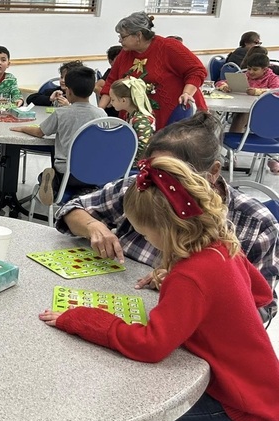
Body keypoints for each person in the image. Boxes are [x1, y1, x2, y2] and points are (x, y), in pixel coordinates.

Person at [40, 155, 279, 421]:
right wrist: (199, 299)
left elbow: (150, 346)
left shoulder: (190, 275)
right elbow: (261, 293)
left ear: (166, 230)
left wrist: (85, 319)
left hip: (237, 406)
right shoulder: (221, 245)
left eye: (146, 235)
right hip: (262, 387)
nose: (147, 241)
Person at [53, 111, 279, 324]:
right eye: (154, 170)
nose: (159, 186)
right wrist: (93, 226)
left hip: (185, 330)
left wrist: (187, 285)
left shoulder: (255, 223)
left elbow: (261, 309)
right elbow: (70, 209)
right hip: (119, 298)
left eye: (173, 177)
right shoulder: (142, 187)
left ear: (213, 172)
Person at [11, 66, 107, 206]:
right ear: (92, 91)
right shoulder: (101, 114)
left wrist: (22, 128)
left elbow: (40, 132)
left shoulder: (62, 113)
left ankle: (52, 183)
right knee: (86, 180)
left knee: (45, 175)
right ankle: (84, 192)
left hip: (68, 173)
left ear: (68, 91)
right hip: (95, 171)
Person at [98, 11, 207, 130]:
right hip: (137, 120)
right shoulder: (125, 54)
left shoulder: (168, 47)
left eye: (122, 36)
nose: (119, 40)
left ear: (138, 35)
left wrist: (187, 93)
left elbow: (196, 70)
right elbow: (111, 81)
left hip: (173, 118)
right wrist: (100, 112)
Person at [216, 53, 279, 149]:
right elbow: (220, 82)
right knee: (240, 115)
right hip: (245, 109)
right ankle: (234, 146)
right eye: (249, 68)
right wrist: (224, 86)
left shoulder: (273, 78)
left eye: (255, 69)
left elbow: (277, 91)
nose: (250, 72)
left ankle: (235, 146)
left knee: (242, 115)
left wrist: (258, 91)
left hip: (265, 113)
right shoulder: (245, 76)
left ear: (265, 69)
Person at [109, 77, 155, 158]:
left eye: (112, 100)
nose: (110, 103)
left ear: (123, 100)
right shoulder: (130, 115)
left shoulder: (141, 120)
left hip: (139, 165)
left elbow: (142, 151)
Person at [94, 45, 123, 117]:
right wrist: (112, 98)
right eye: (119, 59)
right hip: (112, 113)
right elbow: (96, 87)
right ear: (111, 61)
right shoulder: (110, 73)